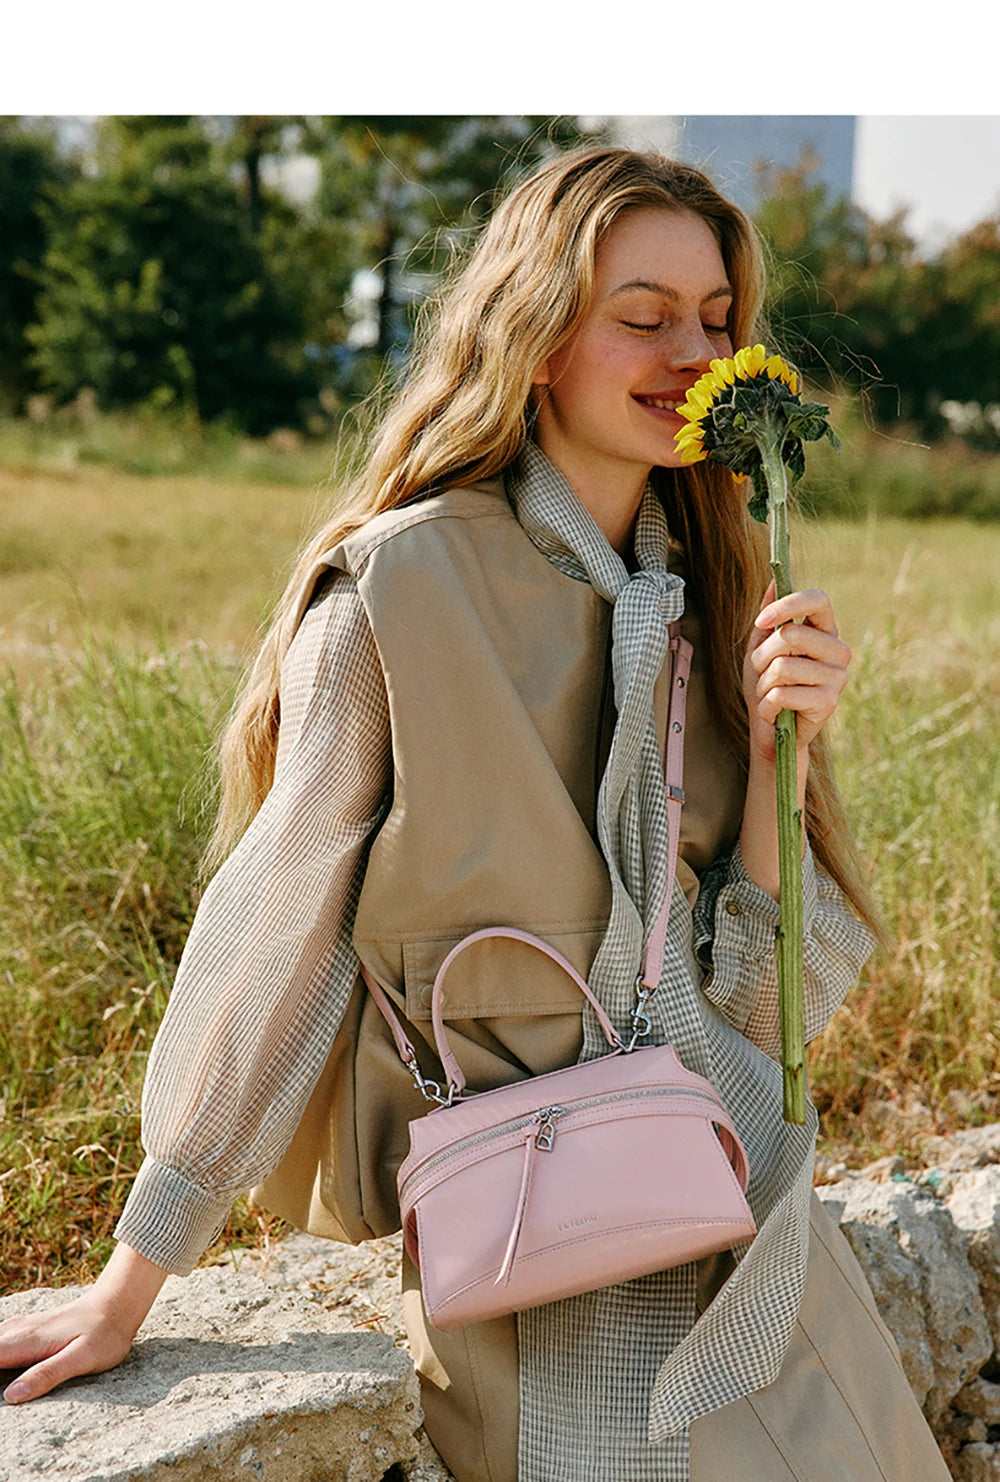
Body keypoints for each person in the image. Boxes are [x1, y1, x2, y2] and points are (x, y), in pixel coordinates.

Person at [0, 146, 951, 1482]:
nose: (696, 351)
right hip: (536, 1251)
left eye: (717, 317)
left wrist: (783, 764)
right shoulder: (397, 588)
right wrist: (131, 1277)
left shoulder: (722, 590)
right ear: (539, 331)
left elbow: (747, 1013)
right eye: (643, 314)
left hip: (753, 1241)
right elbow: (281, 938)